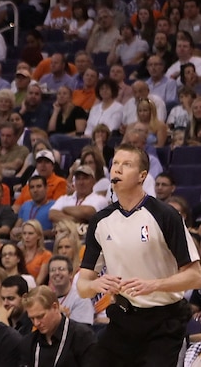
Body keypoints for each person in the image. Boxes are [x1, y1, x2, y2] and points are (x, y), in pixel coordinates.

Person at [78, 144, 201, 366]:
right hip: (123, 319)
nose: (118, 169)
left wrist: (154, 285)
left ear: (142, 176)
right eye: (115, 163)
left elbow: (195, 276)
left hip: (163, 322)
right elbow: (82, 285)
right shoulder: (100, 221)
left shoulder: (165, 215)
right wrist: (97, 285)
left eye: (127, 164)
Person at [20, 286, 97, 367]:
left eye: (40, 316)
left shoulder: (82, 336)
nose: (36, 323)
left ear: (55, 307)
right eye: (32, 318)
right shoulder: (28, 342)